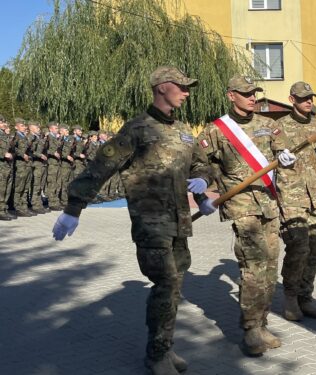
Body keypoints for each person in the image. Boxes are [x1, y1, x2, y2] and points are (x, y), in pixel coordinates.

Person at [52, 66, 213, 375]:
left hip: (180, 220)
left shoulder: (182, 130)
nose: (187, 92)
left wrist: (203, 190)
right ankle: (156, 355)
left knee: (176, 284)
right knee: (166, 282)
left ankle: (165, 345)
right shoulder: (137, 129)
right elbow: (102, 165)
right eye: (181, 86)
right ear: (162, 87)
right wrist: (74, 208)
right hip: (151, 221)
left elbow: (199, 165)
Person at [198, 75, 296, 356]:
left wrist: (288, 158)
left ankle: (262, 322)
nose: (252, 97)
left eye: (254, 92)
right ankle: (251, 328)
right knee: (252, 269)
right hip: (242, 207)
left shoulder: (268, 124)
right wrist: (204, 189)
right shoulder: (217, 130)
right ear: (231, 96)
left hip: (268, 203)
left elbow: (284, 152)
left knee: (269, 268)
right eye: (246, 93)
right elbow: (199, 163)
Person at [274, 81, 316, 322]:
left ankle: (306, 297)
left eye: (311, 98)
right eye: (303, 98)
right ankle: (290, 297)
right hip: (292, 196)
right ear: (292, 99)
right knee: (298, 246)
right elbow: (270, 155)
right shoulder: (279, 127)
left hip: (315, 195)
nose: (309, 101)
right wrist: (278, 156)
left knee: (315, 247)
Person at [11, 118, 34, 216]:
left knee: (25, 187)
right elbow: (12, 148)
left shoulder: (25, 136)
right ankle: (18, 207)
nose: (24, 127)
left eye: (24, 126)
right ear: (16, 127)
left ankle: (24, 206)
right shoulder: (15, 136)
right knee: (19, 187)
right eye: (22, 126)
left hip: (27, 164)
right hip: (20, 165)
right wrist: (21, 154)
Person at [28, 121, 49, 213]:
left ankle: (38, 203)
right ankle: (35, 204)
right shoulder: (30, 138)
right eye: (37, 127)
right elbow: (29, 151)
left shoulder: (38, 138)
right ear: (31, 128)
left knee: (40, 185)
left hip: (42, 164)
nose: (39, 129)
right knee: (36, 184)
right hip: (36, 163)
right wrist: (39, 155)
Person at [45, 122, 63, 210]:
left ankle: (56, 201)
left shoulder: (56, 137)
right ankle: (52, 202)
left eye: (57, 128)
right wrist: (53, 153)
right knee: (52, 183)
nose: (57, 130)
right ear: (50, 129)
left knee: (57, 183)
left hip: (57, 163)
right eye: (56, 128)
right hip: (52, 163)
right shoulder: (48, 137)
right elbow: (45, 149)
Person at [0, 116, 15, 220]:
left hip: (7, 165)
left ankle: (4, 209)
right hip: (1, 166)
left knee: (7, 188)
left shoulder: (4, 135)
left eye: (3, 121)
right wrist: (3, 154)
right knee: (1, 189)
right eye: (1, 121)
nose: (3, 123)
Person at [58, 124, 76, 208]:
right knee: (64, 183)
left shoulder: (69, 139)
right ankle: (63, 200)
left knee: (70, 182)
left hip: (70, 164)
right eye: (66, 130)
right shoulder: (59, 139)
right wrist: (66, 156)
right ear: (61, 131)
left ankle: (68, 199)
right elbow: (58, 151)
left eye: (68, 130)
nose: (68, 132)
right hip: (64, 164)